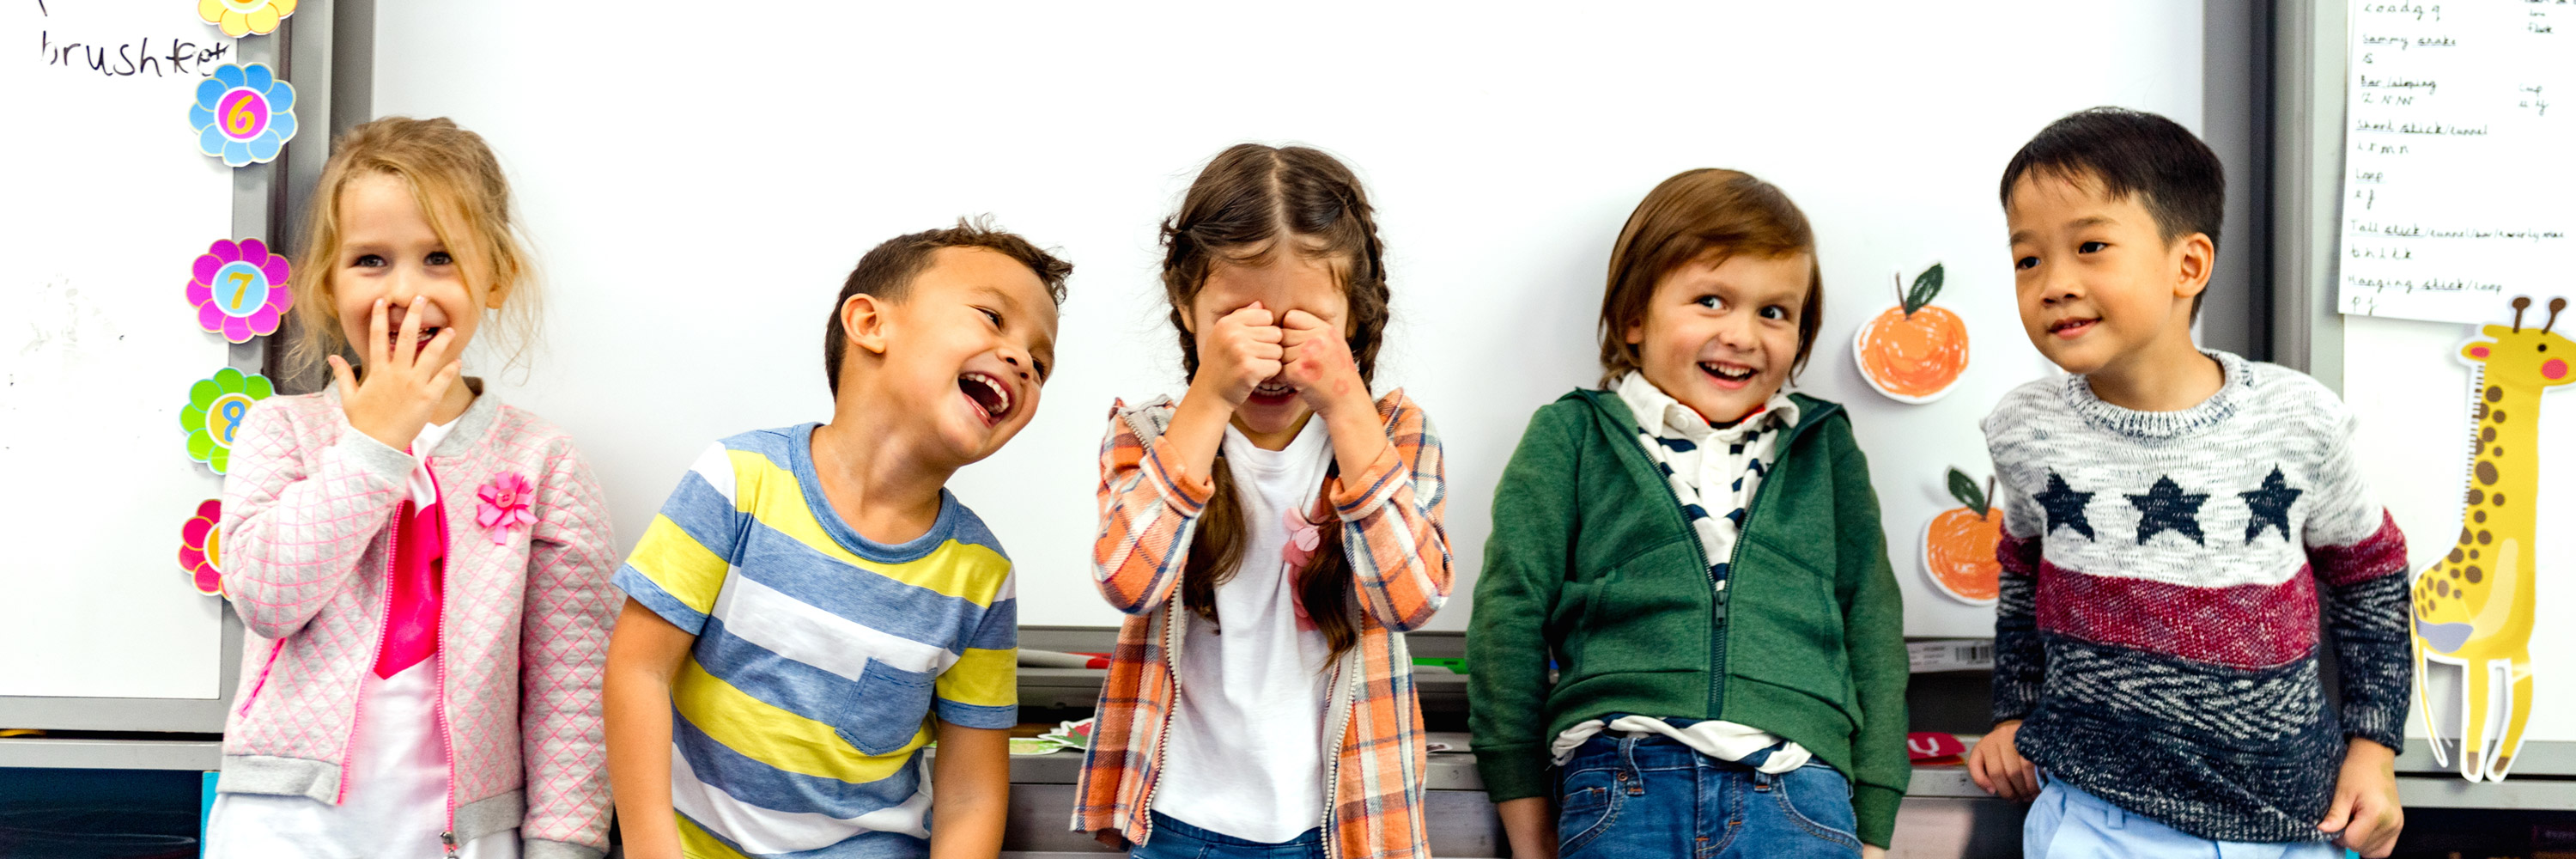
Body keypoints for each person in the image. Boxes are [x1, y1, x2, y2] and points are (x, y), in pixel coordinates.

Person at [1965, 107, 2411, 859]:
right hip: (2090, 816)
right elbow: (2023, 569)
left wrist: (2375, 746)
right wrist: (2015, 711)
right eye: (2028, 260)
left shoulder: (2298, 418)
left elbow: (2371, 575)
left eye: (2091, 246)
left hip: (2287, 822)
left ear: (2189, 265)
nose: (2053, 284)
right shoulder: (2023, 429)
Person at [1468, 168, 1911, 859]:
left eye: (1774, 312)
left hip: (1799, 790)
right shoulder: (1572, 437)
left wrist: (1877, 824)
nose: (1742, 334)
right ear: (1635, 317)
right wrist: (1527, 826)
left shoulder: (1824, 448)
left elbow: (1873, 625)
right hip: (1623, 779)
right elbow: (1509, 617)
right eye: (1711, 300)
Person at [209, 116, 619, 859]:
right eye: (371, 260)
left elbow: (571, 691)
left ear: (495, 278)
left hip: (467, 834)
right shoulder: (281, 432)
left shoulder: (543, 460)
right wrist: (372, 444)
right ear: (326, 286)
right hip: (283, 826)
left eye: (439, 258)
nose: (405, 291)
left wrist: (565, 844)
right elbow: (267, 597)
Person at [603, 220, 1069, 859]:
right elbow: (638, 670)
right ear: (870, 324)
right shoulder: (737, 483)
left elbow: (971, 795)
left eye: (1040, 363)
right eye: (992, 317)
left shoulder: (981, 576)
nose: (1021, 359)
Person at [1072, 143, 1452, 859]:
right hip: (1178, 815)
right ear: (1186, 306)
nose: (1270, 354)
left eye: (1304, 322)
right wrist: (1210, 397)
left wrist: (1345, 404)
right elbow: (1128, 581)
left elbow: (1412, 600)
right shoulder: (1147, 435)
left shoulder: (1395, 434)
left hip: (1345, 824)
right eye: (1236, 320)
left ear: (1354, 315)